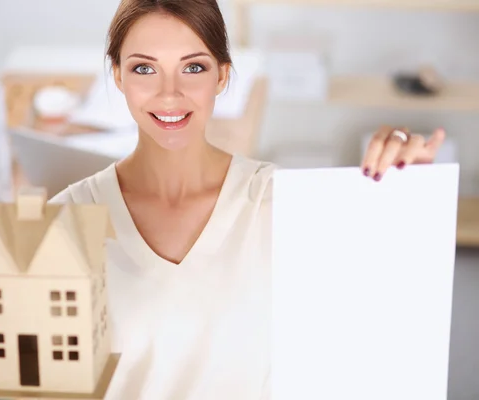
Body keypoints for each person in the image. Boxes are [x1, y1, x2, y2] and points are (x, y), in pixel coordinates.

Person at [50, 0, 446, 398]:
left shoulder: (279, 204)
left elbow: (388, 320)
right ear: (117, 74)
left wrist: (407, 187)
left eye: (193, 67)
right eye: (144, 68)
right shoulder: (64, 222)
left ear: (222, 76)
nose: (169, 94)